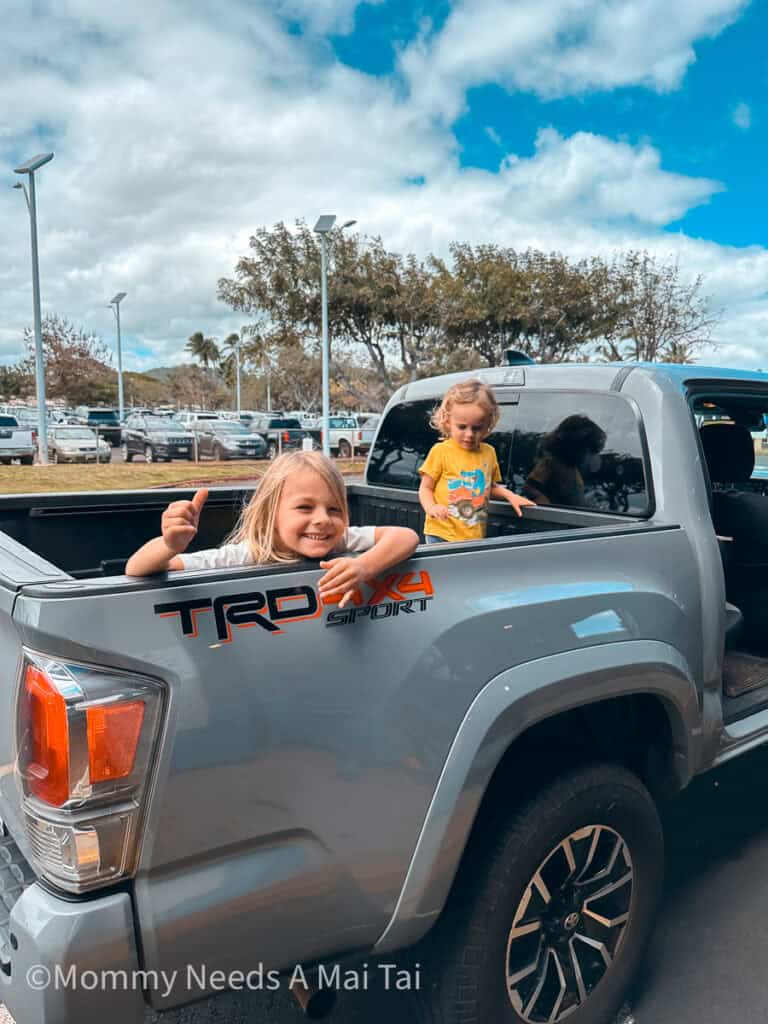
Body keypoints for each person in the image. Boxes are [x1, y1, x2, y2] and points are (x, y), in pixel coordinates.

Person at [125, 450, 419, 607]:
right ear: (271, 513)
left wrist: (365, 566)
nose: (322, 519)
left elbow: (406, 536)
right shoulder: (245, 556)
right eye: (305, 508)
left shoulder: (340, 542)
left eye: (334, 509)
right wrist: (170, 546)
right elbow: (136, 569)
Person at [418, 378, 534, 544]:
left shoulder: (489, 453)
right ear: (448, 422)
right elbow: (425, 488)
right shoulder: (441, 451)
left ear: (488, 425)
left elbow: (489, 487)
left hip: (473, 537)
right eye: (462, 427)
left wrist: (510, 496)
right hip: (442, 533)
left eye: (477, 428)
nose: (470, 434)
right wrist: (432, 507)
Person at [523, 415, 607, 508]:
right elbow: (529, 487)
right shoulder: (550, 463)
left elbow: (575, 499)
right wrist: (541, 500)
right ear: (576, 448)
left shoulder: (575, 471)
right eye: (591, 451)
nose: (593, 457)